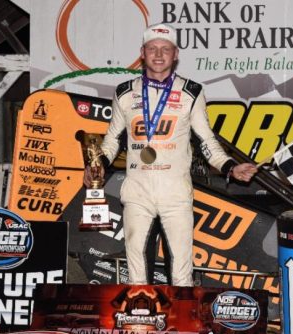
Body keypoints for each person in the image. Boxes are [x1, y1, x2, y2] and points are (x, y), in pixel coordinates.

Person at [84, 23, 257, 286]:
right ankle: (139, 323)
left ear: (175, 54)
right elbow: (112, 140)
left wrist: (229, 167)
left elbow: (205, 139)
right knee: (137, 271)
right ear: (142, 52)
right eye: (152, 48)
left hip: (175, 192)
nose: (158, 54)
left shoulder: (191, 92)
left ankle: (182, 324)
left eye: (165, 49)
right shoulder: (124, 92)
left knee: (180, 272)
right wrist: (98, 164)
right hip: (137, 192)